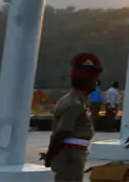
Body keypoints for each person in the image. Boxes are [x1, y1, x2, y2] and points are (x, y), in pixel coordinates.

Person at [43, 53, 102, 182]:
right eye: (94, 81)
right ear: (85, 82)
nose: (95, 84)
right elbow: (62, 132)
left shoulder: (79, 101)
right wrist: (50, 156)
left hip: (74, 153)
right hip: (70, 154)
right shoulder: (74, 103)